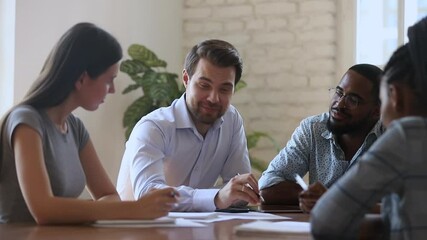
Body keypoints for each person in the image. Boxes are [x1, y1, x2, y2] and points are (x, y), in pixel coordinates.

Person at [0, 22, 178, 224]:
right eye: (109, 80)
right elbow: (43, 210)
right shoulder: (26, 122)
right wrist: (135, 208)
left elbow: (109, 195)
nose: (112, 90)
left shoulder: (75, 128)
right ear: (82, 78)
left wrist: (109, 208)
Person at [311, 16, 427, 240]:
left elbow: (325, 221)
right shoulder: (312, 127)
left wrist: (384, 227)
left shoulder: (406, 136)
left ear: (395, 97)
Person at [116, 39, 261, 212]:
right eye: (204, 85)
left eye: (224, 89)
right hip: (139, 231)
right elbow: (149, 195)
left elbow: (238, 191)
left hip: (196, 229)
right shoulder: (153, 127)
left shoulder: (231, 120)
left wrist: (241, 193)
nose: (213, 98)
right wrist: (217, 197)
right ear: (186, 79)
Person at [258, 64, 384, 213]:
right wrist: (309, 196)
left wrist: (332, 198)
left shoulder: (392, 138)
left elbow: (405, 207)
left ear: (376, 111)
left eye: (353, 100)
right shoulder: (314, 129)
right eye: (339, 92)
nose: (339, 103)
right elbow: (266, 185)